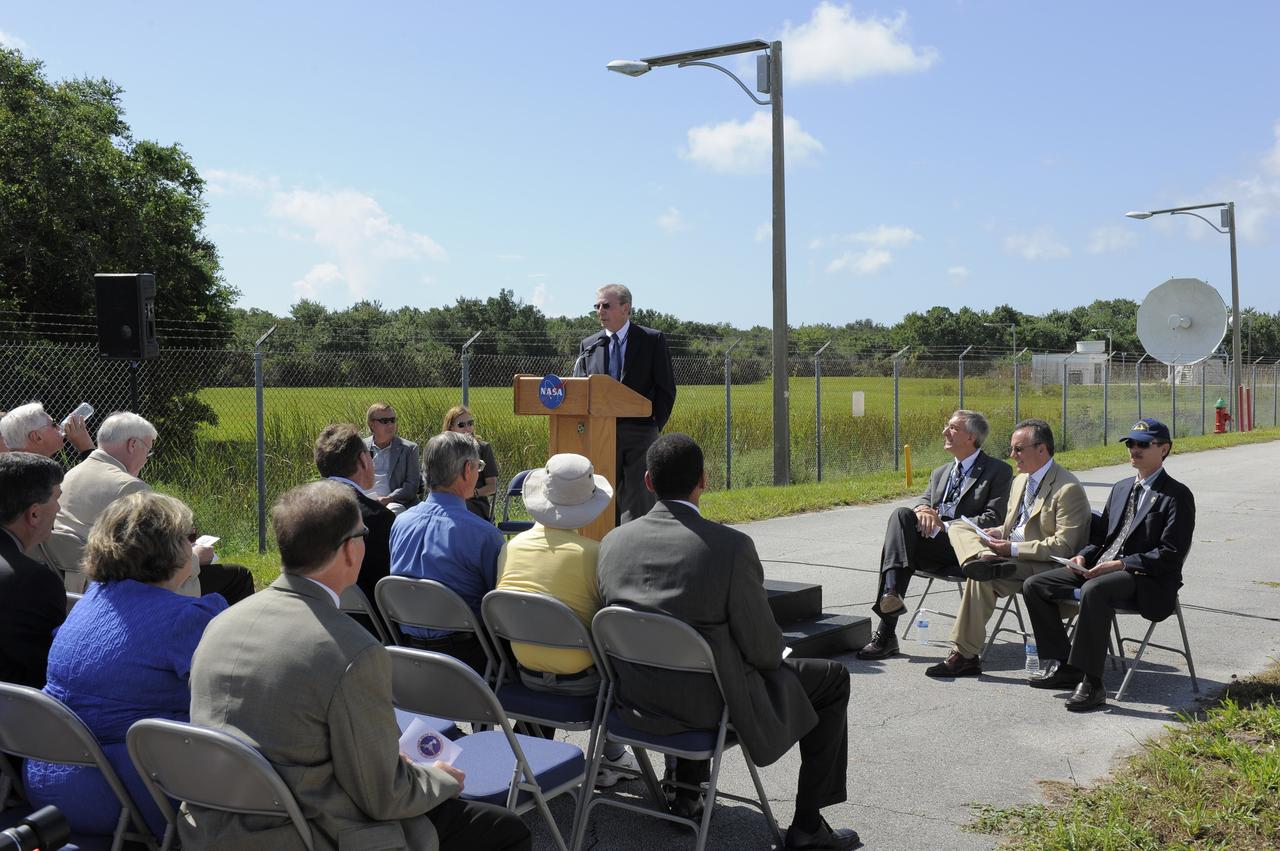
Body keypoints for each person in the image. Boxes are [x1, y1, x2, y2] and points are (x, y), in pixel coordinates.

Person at [184, 481, 530, 851]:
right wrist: (439, 778)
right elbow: (383, 795)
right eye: (363, 534)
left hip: (216, 824)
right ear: (350, 549)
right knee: (506, 831)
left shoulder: (221, 623)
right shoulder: (352, 651)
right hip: (307, 830)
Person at [597, 434, 859, 851]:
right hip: (708, 707)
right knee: (832, 679)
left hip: (634, 699)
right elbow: (764, 652)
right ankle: (808, 825)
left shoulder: (612, 544)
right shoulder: (730, 548)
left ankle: (686, 792)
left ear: (647, 481)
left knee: (686, 655)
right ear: (704, 480)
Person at [23, 492, 228, 838]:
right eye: (190, 537)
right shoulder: (185, 619)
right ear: (170, 550)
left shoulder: (89, 603)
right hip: (127, 794)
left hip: (47, 784)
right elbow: (244, 688)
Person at [1024, 418, 1196, 712]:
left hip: (1145, 578)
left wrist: (1120, 565)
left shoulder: (1177, 496)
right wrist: (1083, 556)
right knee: (1036, 585)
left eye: (1143, 444)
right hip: (1102, 570)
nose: (1134, 450)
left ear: (1164, 449)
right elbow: (1104, 538)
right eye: (1131, 443)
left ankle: (1093, 683)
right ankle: (1067, 666)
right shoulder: (1121, 488)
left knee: (1095, 589)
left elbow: (1170, 554)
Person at [495, 452, 637, 786]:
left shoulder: (511, 547)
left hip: (524, 672)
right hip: (582, 682)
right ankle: (611, 755)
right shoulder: (594, 554)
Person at [925, 419, 1091, 679]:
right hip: (1008, 558)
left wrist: (1012, 548)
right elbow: (1017, 524)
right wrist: (998, 533)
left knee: (982, 576)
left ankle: (965, 653)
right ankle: (966, 653)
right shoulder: (1021, 480)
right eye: (1012, 448)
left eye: (1018, 449)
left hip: (1044, 565)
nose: (1012, 455)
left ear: (1042, 449)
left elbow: (1064, 546)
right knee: (959, 529)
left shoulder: (1067, 489)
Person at [41, 411, 254, 604]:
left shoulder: (69, 475)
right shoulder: (130, 487)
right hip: (122, 587)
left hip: (75, 580)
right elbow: (156, 556)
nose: (146, 460)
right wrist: (196, 557)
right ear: (133, 444)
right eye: (148, 450)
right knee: (237, 576)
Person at [859, 410, 1013, 660]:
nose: (944, 432)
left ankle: (886, 630)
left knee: (898, 549)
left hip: (963, 551)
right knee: (902, 516)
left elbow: (993, 519)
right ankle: (891, 596)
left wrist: (944, 524)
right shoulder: (940, 472)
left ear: (971, 437)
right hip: (932, 547)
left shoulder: (998, 471)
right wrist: (922, 509)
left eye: (952, 428)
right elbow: (924, 501)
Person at [390, 431, 505, 673]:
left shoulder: (400, 523)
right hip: (468, 660)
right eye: (478, 466)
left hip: (407, 654)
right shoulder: (484, 535)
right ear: (466, 470)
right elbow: (497, 608)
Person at [572, 283, 677, 524]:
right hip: (600, 431)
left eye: (606, 306)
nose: (600, 311)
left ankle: (633, 548)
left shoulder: (651, 340)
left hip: (640, 432)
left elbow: (666, 389)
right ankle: (604, 544)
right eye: (597, 306)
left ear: (626, 308)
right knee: (601, 494)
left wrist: (653, 424)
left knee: (638, 498)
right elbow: (582, 388)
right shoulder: (590, 345)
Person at [314, 423, 394, 623]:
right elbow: (385, 586)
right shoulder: (378, 517)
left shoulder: (300, 508)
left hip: (315, 615)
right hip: (365, 628)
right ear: (363, 460)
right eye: (371, 455)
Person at [0, 452, 66, 688]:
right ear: (35, 513)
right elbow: (53, 669)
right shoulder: (34, 582)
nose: (59, 508)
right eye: (57, 498)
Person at [443, 405, 499, 521]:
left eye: (470, 423)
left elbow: (492, 487)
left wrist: (474, 493)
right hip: (449, 500)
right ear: (451, 427)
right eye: (461, 425)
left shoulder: (483, 448)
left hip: (474, 503)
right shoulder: (443, 449)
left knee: (459, 511)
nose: (467, 428)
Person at [364, 402, 420, 513]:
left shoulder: (409, 449)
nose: (390, 425)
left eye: (392, 420)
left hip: (394, 503)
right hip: (365, 500)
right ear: (371, 424)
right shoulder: (361, 447)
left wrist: (388, 499)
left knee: (391, 511)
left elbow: (411, 485)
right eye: (384, 421)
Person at [0, 401, 94, 463]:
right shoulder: (38, 475)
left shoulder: (12, 469)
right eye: (53, 424)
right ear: (37, 437)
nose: (59, 426)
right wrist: (86, 448)